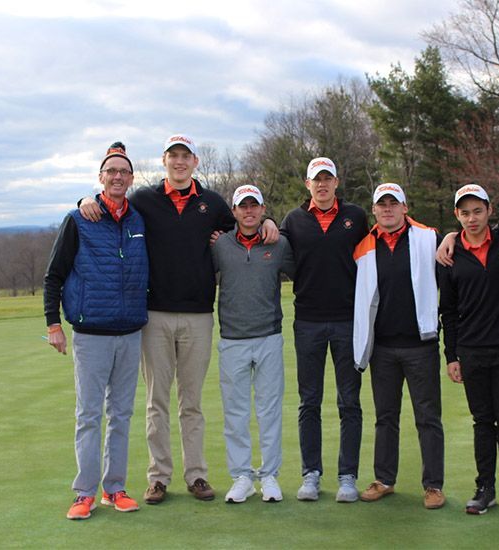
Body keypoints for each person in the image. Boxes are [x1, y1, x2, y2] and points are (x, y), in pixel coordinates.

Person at [79, 134, 278, 504]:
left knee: (192, 402)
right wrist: (85, 199)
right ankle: (158, 477)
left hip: (199, 314)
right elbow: (112, 207)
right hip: (154, 314)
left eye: (185, 156)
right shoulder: (145, 200)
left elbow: (244, 224)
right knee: (157, 401)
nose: (179, 162)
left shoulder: (213, 204)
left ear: (195, 162)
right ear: (165, 161)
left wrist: (271, 223)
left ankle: (197, 475)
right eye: (173, 156)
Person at [44, 142, 148, 520]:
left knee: (121, 414)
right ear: (101, 178)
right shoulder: (79, 218)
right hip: (91, 333)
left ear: (132, 178)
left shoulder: (139, 219)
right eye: (111, 171)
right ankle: (83, 493)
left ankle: (114, 489)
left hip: (131, 331)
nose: (118, 176)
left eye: (124, 171)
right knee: (89, 414)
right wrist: (53, 324)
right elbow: (53, 275)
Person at [280, 157, 369, 502]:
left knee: (349, 402)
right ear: (308, 185)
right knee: (310, 401)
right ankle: (311, 474)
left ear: (336, 182)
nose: (322, 185)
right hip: (308, 321)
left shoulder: (356, 217)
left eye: (327, 179)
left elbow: (386, 239)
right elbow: (273, 242)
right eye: (316, 180)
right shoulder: (294, 220)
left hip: (349, 320)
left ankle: (348, 476)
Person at [353, 183, 446, 510]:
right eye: (382, 204)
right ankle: (384, 479)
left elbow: (456, 251)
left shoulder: (428, 237)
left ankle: (433, 485)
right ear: (374, 210)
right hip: (383, 349)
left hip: (421, 343)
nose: (388, 209)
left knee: (428, 417)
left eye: (394, 203)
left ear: (405, 208)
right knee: (385, 417)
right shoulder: (364, 246)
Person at [437, 184, 499, 516]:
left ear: (489, 210)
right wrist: (451, 355)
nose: (471, 218)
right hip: (471, 350)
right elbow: (447, 310)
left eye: (477, 211)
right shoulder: (449, 255)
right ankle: (484, 488)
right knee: (482, 421)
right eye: (464, 213)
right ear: (456, 216)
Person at [212, 185, 295, 504]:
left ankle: (269, 476)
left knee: (269, 409)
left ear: (263, 210)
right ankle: (242, 476)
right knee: (235, 412)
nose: (248, 211)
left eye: (254, 206)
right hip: (232, 339)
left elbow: (304, 273)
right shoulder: (220, 245)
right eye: (242, 206)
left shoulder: (279, 242)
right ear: (234, 212)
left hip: (269, 337)